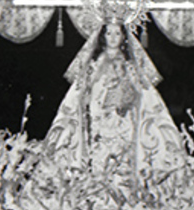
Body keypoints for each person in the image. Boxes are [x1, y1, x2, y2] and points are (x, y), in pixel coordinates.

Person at [44, 16, 185, 183]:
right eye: (109, 33)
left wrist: (127, 98)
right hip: (99, 123)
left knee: (122, 164)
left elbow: (144, 93)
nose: (112, 38)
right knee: (99, 163)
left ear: (123, 37)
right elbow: (81, 93)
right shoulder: (94, 65)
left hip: (124, 123)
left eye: (117, 34)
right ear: (103, 36)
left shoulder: (130, 66)